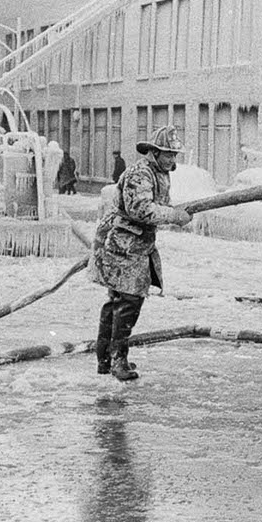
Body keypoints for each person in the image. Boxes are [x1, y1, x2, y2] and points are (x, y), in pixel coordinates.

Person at [89, 126, 192, 381]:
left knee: (119, 301)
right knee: (128, 302)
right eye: (167, 154)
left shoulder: (158, 172)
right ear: (154, 152)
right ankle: (116, 360)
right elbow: (142, 210)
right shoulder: (140, 173)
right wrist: (174, 216)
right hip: (122, 245)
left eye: (174, 155)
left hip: (133, 244)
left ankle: (106, 358)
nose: (172, 159)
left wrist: (172, 211)